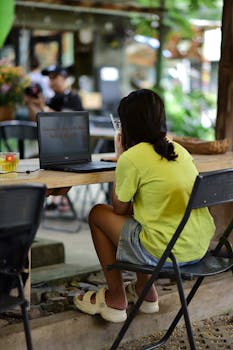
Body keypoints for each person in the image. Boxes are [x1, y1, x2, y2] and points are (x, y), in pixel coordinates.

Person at [73, 89, 215, 323]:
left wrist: (121, 158)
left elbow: (118, 209)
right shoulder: (180, 150)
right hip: (197, 247)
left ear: (127, 126)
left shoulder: (132, 158)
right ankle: (145, 291)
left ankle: (116, 298)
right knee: (143, 218)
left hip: (166, 253)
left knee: (98, 213)